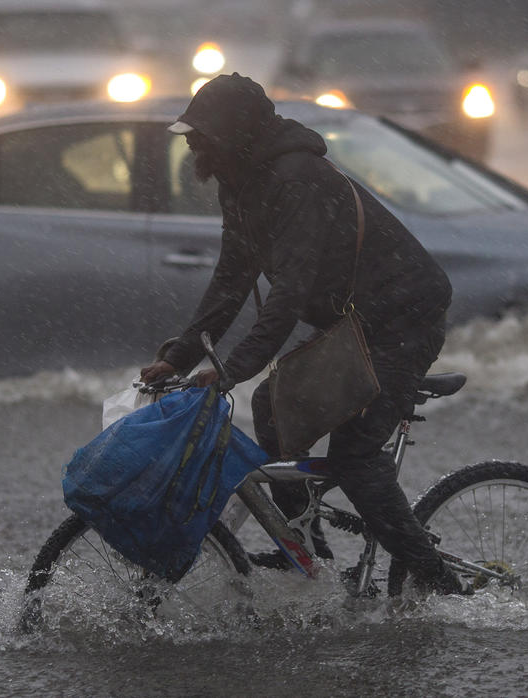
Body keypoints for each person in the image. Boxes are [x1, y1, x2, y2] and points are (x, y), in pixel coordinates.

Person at [140, 73, 466, 595]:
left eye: (203, 137)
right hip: (352, 321)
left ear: (239, 136)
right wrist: (179, 358)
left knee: (355, 456)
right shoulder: (239, 180)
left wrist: (228, 371)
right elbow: (231, 280)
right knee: (272, 408)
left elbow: (288, 292)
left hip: (404, 318)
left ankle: (440, 583)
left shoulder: (295, 179)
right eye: (190, 137)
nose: (194, 147)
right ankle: (309, 551)